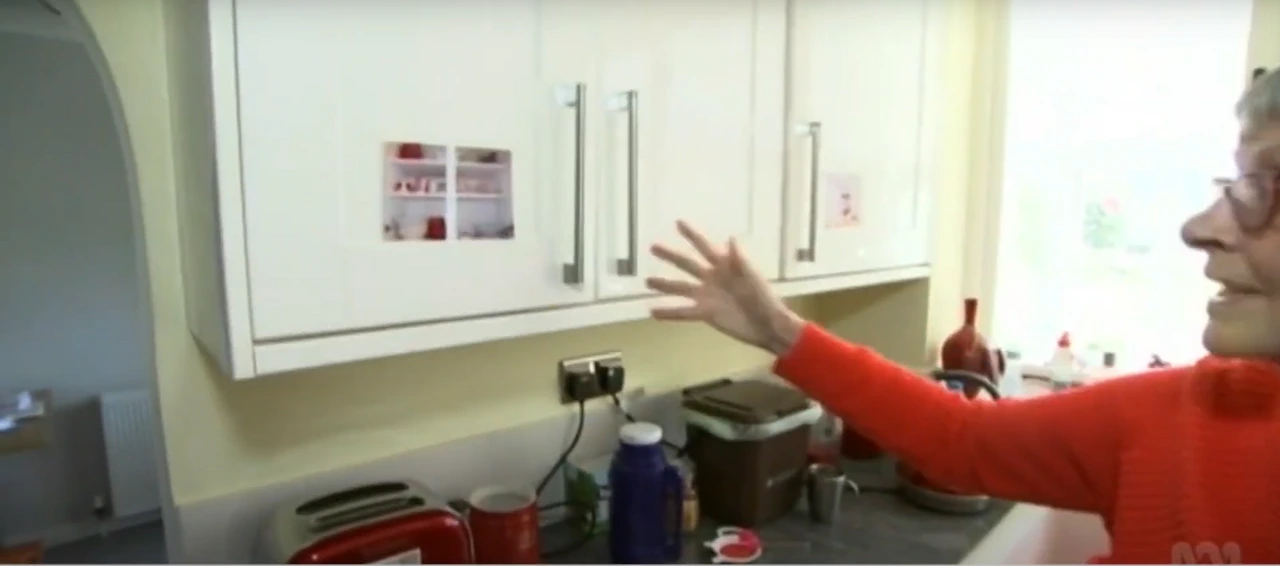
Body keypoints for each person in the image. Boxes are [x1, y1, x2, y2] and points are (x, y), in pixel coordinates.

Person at [644, 69, 1280, 564]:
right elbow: (963, 439)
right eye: (1235, 184)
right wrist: (778, 330)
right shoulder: (1178, 414)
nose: (1199, 227)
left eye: (1268, 186)